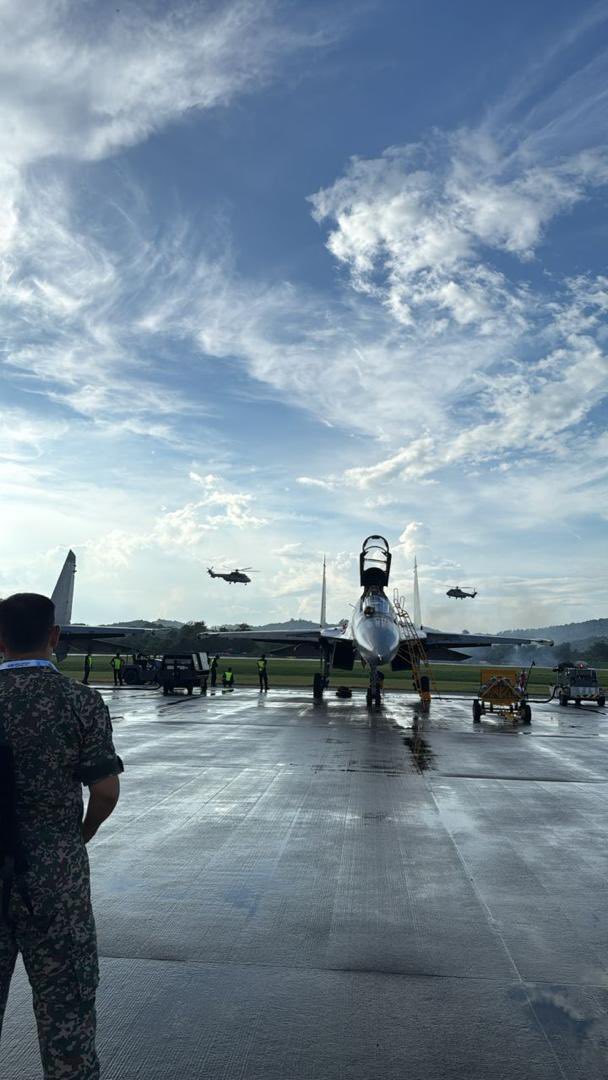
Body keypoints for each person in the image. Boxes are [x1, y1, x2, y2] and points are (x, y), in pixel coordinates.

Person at [0, 592, 123, 1079]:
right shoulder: (80, 701)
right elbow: (106, 791)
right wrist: (78, 837)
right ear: (54, 637)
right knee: (66, 1016)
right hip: (55, 876)